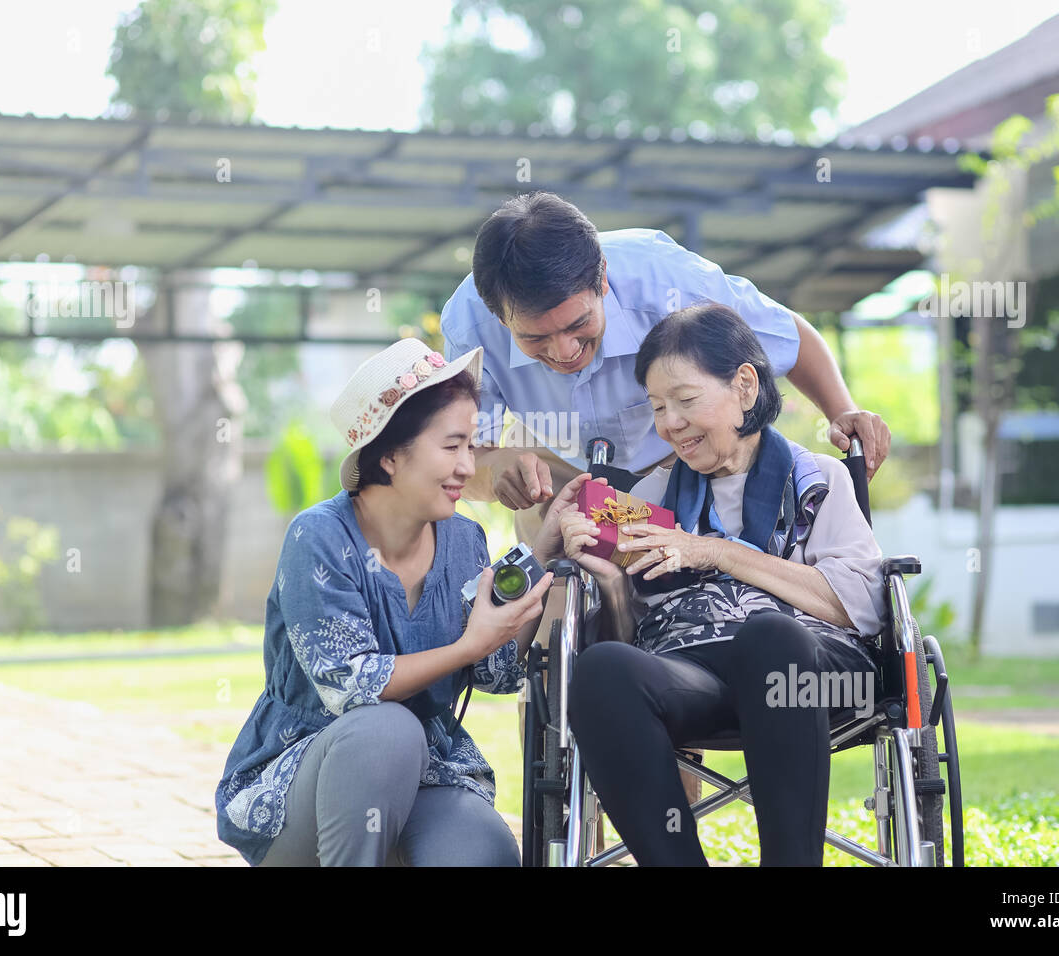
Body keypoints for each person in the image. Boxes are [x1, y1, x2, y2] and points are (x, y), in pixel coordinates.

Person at [552, 302, 890, 866]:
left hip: (814, 677)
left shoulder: (820, 479)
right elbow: (629, 636)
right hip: (697, 672)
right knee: (603, 667)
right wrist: (610, 581)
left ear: (745, 386)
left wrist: (717, 552)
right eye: (659, 407)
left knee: (769, 637)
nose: (670, 424)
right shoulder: (649, 499)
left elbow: (861, 606)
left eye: (685, 400)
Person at [214, 338, 555, 867]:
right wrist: (470, 645)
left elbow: (495, 674)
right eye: (452, 446)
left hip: (426, 772)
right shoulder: (319, 538)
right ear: (391, 455)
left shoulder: (463, 539)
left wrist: (539, 566)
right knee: (385, 728)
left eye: (472, 446)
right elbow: (354, 688)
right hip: (310, 778)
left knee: (480, 852)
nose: (469, 466)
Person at [439, 191, 893, 540]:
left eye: (579, 324)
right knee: (553, 602)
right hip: (556, 463)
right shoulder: (469, 322)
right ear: (499, 317)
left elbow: (787, 336)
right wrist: (496, 465)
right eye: (535, 338)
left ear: (601, 279)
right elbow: (462, 456)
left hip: (683, 455)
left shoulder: (666, 277)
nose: (563, 351)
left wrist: (842, 412)